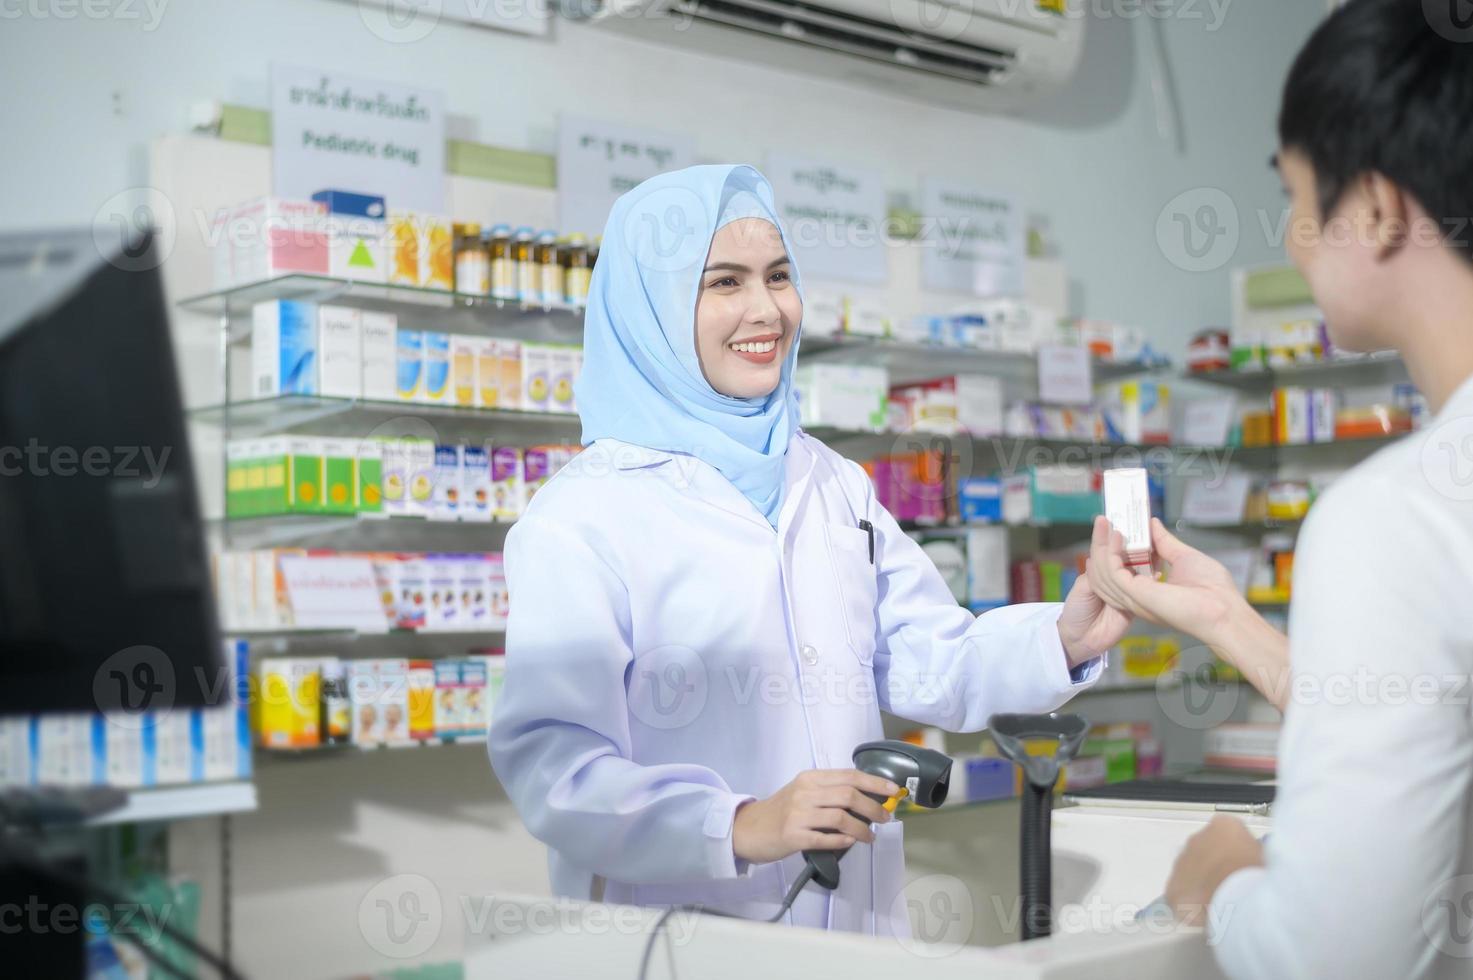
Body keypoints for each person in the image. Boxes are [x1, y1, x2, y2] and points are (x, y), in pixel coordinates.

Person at [488, 164, 1130, 935]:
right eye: (723, 282)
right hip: (684, 933)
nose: (766, 310)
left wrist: (1062, 636)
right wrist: (739, 823)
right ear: (649, 309)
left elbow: (927, 656)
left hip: (855, 921)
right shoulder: (584, 515)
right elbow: (554, 768)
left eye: (779, 276)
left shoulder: (832, 481)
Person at [1090, 2, 1473, 976]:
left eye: (1295, 195)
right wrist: (1226, 615)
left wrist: (1221, 876)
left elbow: (1335, 959)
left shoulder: (1399, 514)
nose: (1295, 242)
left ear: (1379, 208)